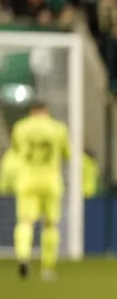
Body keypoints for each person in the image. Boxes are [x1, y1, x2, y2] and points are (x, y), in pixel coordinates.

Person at [8, 101, 69, 280]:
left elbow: (17, 151)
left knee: (25, 222)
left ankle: (23, 257)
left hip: (27, 179)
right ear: (46, 110)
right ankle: (48, 268)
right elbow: (67, 154)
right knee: (50, 224)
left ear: (31, 111)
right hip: (51, 180)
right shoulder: (58, 129)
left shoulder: (20, 127)